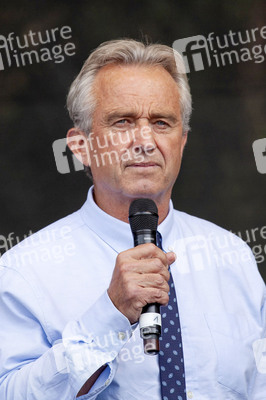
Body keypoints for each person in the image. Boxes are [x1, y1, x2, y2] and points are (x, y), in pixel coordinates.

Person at [0, 39, 265, 400]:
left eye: (162, 122)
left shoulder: (231, 256)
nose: (144, 140)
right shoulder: (25, 271)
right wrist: (109, 313)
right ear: (80, 147)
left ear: (182, 142)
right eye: (122, 122)